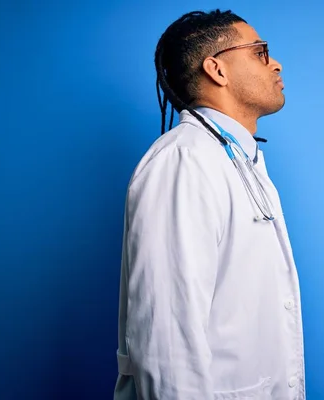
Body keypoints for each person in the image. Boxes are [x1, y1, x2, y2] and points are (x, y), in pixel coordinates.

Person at [114, 9, 305, 400]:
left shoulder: (239, 160)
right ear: (216, 69)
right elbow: (167, 344)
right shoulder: (183, 160)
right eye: (260, 52)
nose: (277, 63)